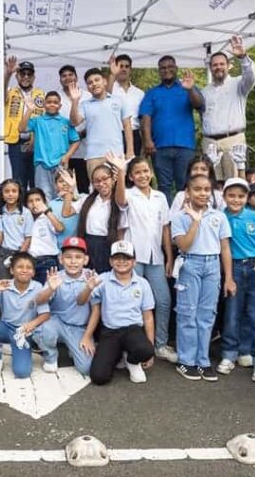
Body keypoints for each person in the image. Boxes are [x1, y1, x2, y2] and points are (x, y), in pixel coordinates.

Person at [106, 154, 176, 363]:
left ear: (152, 173)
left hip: (156, 257)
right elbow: (120, 201)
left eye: (146, 171)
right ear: (131, 177)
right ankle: (133, 347)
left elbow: (165, 229)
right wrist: (120, 170)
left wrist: (169, 258)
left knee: (163, 301)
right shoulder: (128, 194)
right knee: (130, 303)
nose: (142, 175)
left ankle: (160, 344)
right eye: (137, 172)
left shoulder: (160, 197)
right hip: (132, 258)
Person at [171, 174, 234, 382]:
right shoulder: (180, 217)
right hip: (190, 263)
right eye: (197, 189)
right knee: (187, 312)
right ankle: (186, 360)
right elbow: (184, 245)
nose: (203, 193)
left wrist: (229, 277)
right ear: (187, 192)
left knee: (207, 314)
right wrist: (195, 222)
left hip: (212, 265)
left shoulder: (219, 216)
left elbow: (225, 248)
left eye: (207, 189)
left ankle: (203, 360)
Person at [217, 178, 255, 383]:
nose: (236, 200)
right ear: (224, 197)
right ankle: (229, 354)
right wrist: (228, 276)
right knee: (232, 313)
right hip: (232, 266)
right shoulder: (219, 217)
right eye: (231, 195)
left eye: (241, 196)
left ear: (247, 198)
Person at [80, 241, 157, 385]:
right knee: (99, 377)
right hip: (110, 332)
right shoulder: (101, 279)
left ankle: (131, 361)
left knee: (146, 349)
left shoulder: (142, 283)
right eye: (117, 258)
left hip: (133, 330)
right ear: (110, 261)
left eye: (126, 258)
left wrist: (150, 350)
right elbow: (83, 302)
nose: (121, 261)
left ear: (133, 262)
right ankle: (118, 355)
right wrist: (88, 288)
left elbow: (148, 317)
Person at [139, 56, 205, 204]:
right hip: (160, 147)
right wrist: (148, 140)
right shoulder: (152, 93)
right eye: (162, 68)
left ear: (176, 68)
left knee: (185, 185)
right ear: (159, 71)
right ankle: (166, 223)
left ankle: (186, 218)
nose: (166, 70)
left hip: (185, 146)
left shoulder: (187, 88)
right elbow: (145, 118)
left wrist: (190, 90)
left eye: (170, 67)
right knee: (164, 187)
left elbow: (199, 104)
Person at [0, 252, 49, 379]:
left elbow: (45, 314)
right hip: (5, 327)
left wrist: (31, 324)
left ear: (33, 272)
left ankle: (17, 349)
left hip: (23, 332)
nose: (24, 270)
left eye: (29, 268)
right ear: (11, 270)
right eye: (20, 267)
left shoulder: (37, 287)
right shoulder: (5, 285)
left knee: (22, 372)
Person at [34, 238, 96, 375]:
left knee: (86, 368)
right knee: (43, 329)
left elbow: (95, 310)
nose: (73, 261)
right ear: (61, 259)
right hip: (57, 322)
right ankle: (51, 356)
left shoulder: (90, 277)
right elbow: (39, 301)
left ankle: (71, 347)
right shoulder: (56, 276)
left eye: (78, 257)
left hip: (79, 328)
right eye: (68, 257)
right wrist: (50, 288)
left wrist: (87, 336)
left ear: (85, 260)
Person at [201, 36, 255, 180]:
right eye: (215, 65)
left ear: (228, 66)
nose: (218, 67)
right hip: (210, 143)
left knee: (235, 183)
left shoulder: (239, 84)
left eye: (221, 64)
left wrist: (243, 57)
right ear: (210, 68)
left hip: (233, 140)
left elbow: (251, 77)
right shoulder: (204, 91)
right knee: (212, 184)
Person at [67, 68, 133, 177]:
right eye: (90, 83)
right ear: (87, 87)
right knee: (97, 190)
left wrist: (130, 150)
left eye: (97, 80)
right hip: (94, 156)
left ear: (105, 81)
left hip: (116, 154)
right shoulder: (85, 104)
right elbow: (74, 122)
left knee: (118, 190)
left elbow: (127, 125)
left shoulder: (118, 100)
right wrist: (75, 101)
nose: (94, 84)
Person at [22, 91, 80, 197]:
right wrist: (29, 110)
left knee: (63, 193)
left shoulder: (66, 122)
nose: (52, 104)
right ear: (44, 104)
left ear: (60, 105)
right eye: (49, 102)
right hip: (42, 164)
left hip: (61, 164)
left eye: (55, 102)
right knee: (44, 195)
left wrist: (67, 156)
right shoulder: (37, 121)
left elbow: (76, 141)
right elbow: (21, 129)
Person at [4, 57, 45, 190]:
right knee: (18, 181)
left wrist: (35, 138)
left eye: (29, 74)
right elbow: (2, 93)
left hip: (36, 144)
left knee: (35, 181)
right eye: (22, 74)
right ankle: (20, 209)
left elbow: (43, 119)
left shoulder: (41, 94)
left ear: (34, 77)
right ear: (17, 76)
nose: (26, 77)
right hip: (16, 142)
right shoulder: (11, 91)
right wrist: (8, 74)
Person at [75, 164, 123, 274]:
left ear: (113, 179)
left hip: (108, 243)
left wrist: (121, 172)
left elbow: (120, 230)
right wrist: (69, 189)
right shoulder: (88, 200)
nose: (101, 184)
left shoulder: (118, 200)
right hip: (88, 243)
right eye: (96, 181)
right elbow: (66, 213)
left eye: (105, 179)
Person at [58, 65, 92, 193]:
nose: (67, 78)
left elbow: (93, 119)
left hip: (85, 147)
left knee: (84, 185)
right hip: (64, 149)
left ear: (76, 77)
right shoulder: (56, 96)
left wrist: (81, 134)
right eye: (64, 76)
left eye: (70, 75)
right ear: (60, 79)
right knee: (64, 185)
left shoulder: (88, 96)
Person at [0, 179, 32, 280]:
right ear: (1, 194)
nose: (10, 194)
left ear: (19, 193)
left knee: (19, 283)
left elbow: (28, 238)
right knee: (3, 285)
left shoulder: (26, 213)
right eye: (6, 191)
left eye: (14, 191)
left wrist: (18, 256)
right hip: (2, 254)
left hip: (20, 252)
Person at [25, 188, 65, 283]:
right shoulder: (26, 219)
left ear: (44, 202)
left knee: (48, 291)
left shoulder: (47, 217)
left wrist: (46, 211)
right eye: (30, 201)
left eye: (38, 200)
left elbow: (60, 228)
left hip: (48, 261)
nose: (34, 204)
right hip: (30, 261)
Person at [108, 54, 144, 156]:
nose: (123, 69)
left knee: (133, 169)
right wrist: (112, 74)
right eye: (120, 66)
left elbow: (142, 119)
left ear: (130, 69)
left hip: (135, 134)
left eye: (126, 66)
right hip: (115, 133)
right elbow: (105, 98)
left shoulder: (139, 93)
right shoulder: (110, 88)